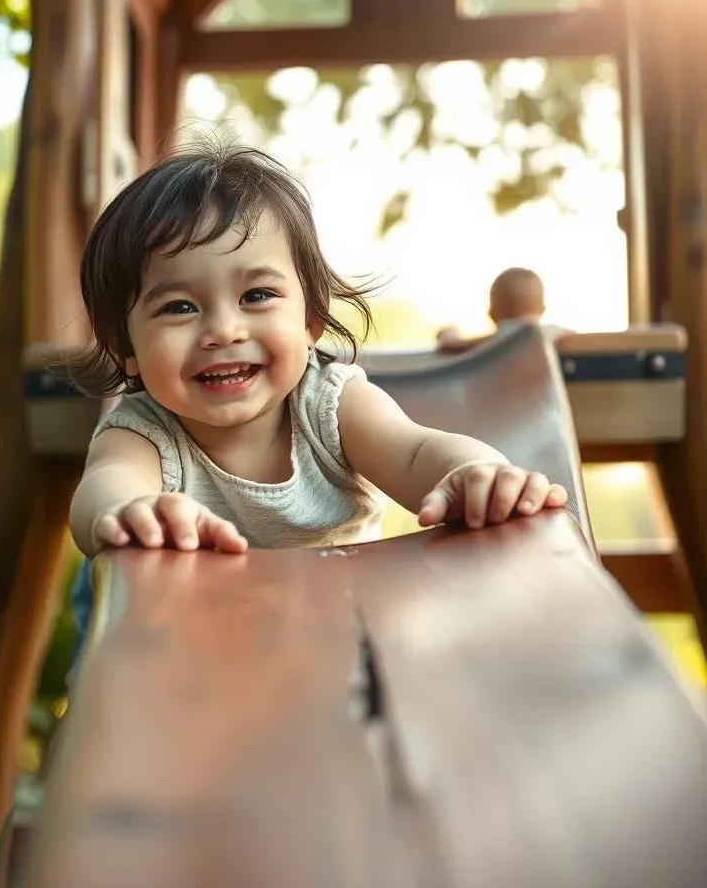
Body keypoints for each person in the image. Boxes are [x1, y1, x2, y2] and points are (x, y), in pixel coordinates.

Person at [66, 141, 568, 659]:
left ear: (311, 321)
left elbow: (418, 453)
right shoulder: (144, 433)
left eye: (256, 296)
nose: (222, 330)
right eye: (179, 306)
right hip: (177, 638)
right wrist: (134, 511)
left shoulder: (329, 406)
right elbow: (103, 491)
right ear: (127, 348)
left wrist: (475, 472)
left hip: (330, 617)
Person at [436, 267, 573, 353]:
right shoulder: (550, 334)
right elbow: (581, 338)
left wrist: (447, 333)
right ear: (543, 309)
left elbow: (450, 345)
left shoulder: (497, 340)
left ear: (492, 314)